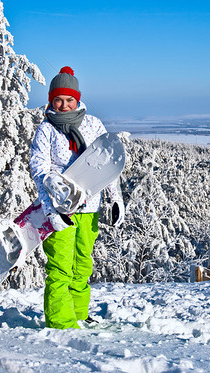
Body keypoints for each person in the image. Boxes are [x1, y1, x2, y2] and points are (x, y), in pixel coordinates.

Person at [30, 66, 124, 329]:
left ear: (77, 99)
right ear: (51, 100)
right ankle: (61, 322)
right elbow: (39, 169)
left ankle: (80, 313)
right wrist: (51, 207)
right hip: (60, 209)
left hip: (90, 207)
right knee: (60, 267)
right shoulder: (46, 130)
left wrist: (115, 199)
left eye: (69, 99)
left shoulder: (93, 124)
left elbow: (107, 164)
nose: (63, 105)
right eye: (58, 100)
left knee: (82, 264)